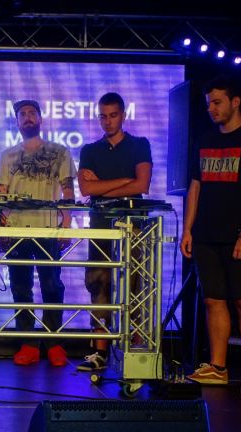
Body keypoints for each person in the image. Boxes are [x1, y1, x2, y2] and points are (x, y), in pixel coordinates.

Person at [180, 75, 241, 396]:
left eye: (217, 102)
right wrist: (188, 229)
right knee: (213, 299)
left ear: (235, 102)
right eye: (209, 104)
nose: (211, 109)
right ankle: (218, 368)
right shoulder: (204, 139)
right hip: (207, 234)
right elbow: (195, 187)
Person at [0, 99, 76, 367]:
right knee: (20, 287)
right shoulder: (7, 156)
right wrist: (1, 229)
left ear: (40, 118)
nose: (27, 117)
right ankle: (28, 343)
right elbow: (1, 195)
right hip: (16, 229)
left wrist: (66, 225)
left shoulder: (59, 152)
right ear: (17, 122)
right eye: (22, 114)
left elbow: (68, 192)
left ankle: (54, 343)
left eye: (32, 113)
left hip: (48, 228)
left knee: (52, 285)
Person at [77, 92, 153, 371]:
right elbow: (86, 189)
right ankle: (100, 351)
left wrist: (104, 186)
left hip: (133, 225)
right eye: (102, 116)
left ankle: (134, 351)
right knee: (98, 283)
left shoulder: (139, 145)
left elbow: (142, 185)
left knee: (134, 286)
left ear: (123, 115)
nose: (107, 121)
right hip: (100, 224)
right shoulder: (90, 150)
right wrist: (124, 181)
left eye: (113, 115)